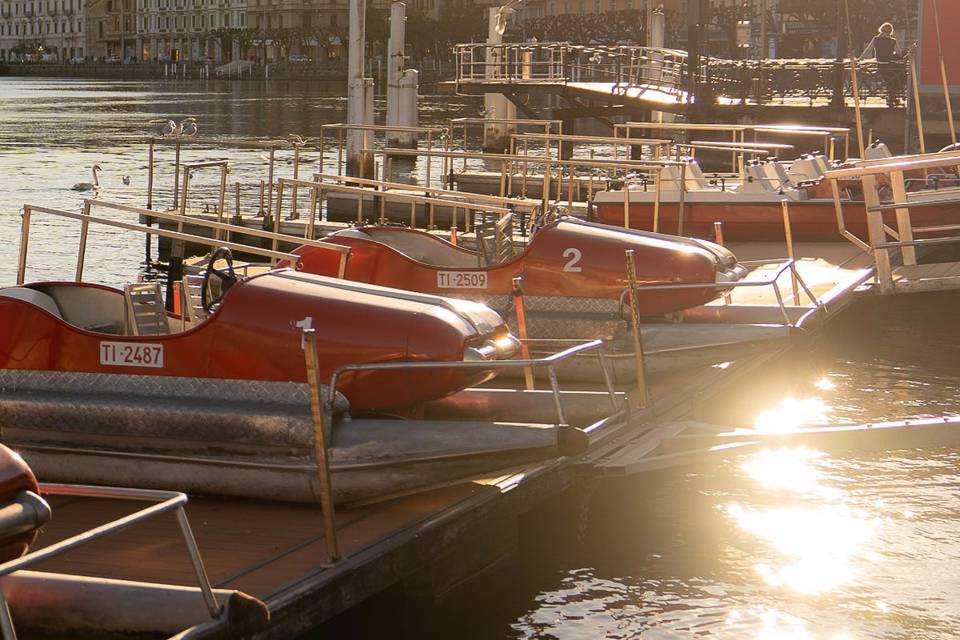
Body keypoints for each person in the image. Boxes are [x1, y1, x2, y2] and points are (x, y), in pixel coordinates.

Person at [861, 22, 910, 107]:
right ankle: (893, 95)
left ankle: (892, 95)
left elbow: (868, 50)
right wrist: (907, 53)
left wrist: (859, 59)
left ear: (881, 30)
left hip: (881, 64)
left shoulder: (876, 39)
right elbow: (899, 54)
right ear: (890, 32)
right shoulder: (892, 41)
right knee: (899, 75)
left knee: (891, 78)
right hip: (890, 64)